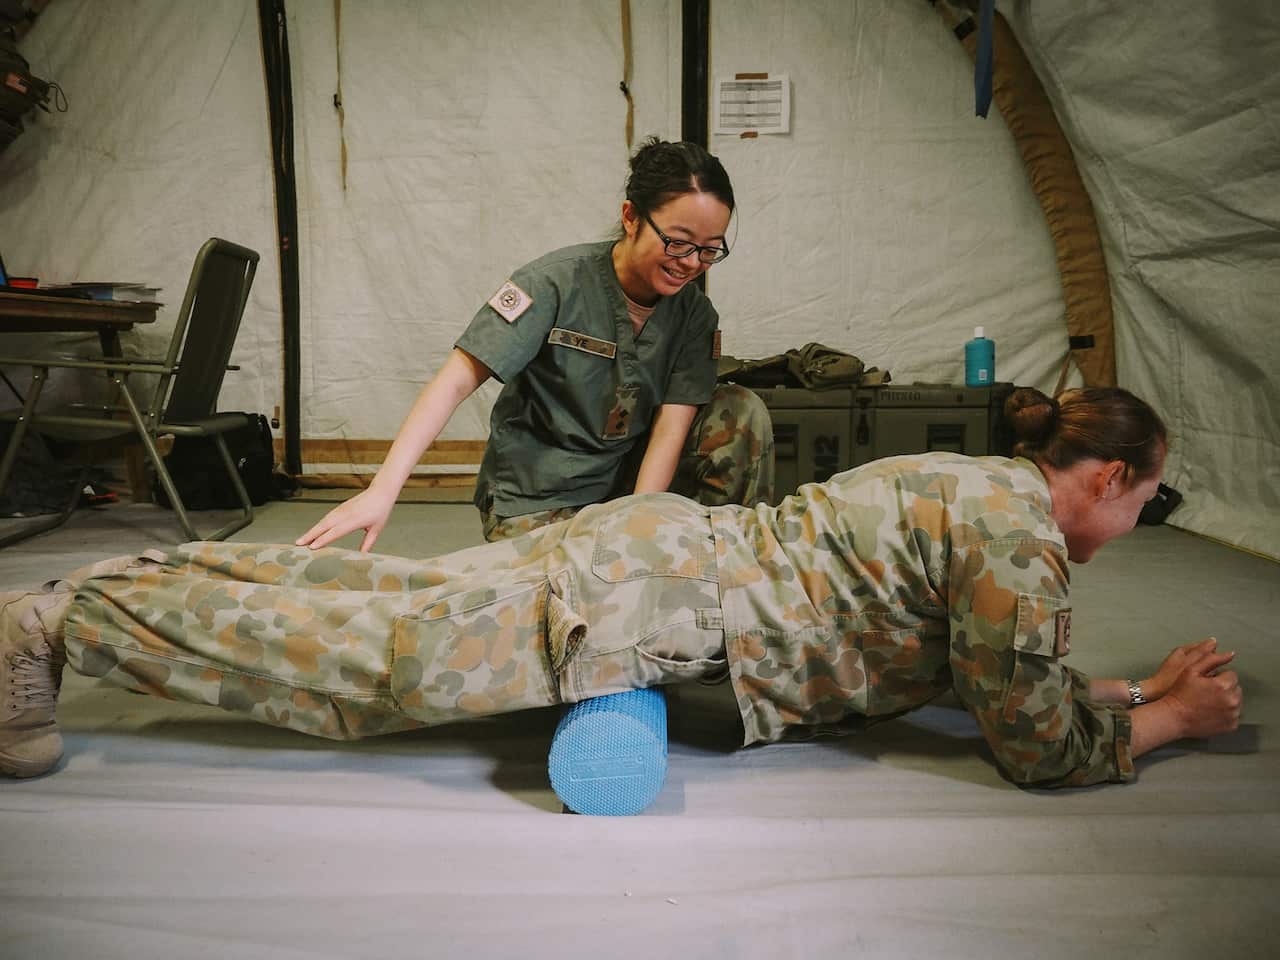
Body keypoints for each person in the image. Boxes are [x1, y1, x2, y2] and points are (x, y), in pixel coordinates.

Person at [0, 387, 1243, 786]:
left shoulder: (979, 481)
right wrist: (1172, 719)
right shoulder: (1018, 539)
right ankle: (59, 626)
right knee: (364, 668)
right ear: (1112, 476)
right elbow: (1027, 738)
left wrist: (1122, 686)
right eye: (1143, 503)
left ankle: (103, 589)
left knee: (371, 606)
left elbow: (999, 677)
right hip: (644, 605)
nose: (1132, 527)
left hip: (648, 552)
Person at [296, 136, 773, 551]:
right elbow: (454, 383)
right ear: (631, 217)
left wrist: (635, 531)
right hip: (538, 495)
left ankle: (718, 561)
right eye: (678, 241)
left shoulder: (693, 316)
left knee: (740, 408)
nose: (691, 262)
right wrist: (382, 490)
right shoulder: (552, 284)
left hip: (623, 488)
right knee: (561, 606)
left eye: (711, 249)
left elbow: (671, 432)